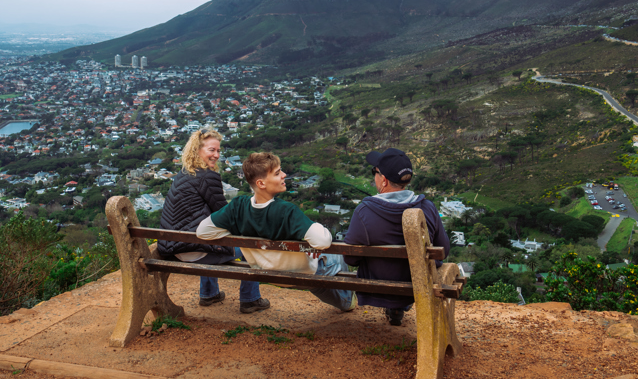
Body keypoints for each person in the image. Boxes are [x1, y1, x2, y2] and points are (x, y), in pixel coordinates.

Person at [196, 152, 356, 313]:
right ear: (261, 183)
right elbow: (322, 241)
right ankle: (346, 299)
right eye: (278, 173)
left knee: (319, 262)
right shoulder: (286, 211)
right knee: (336, 254)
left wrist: (235, 232)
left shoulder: (237, 207)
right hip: (302, 275)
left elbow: (203, 231)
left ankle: (344, 300)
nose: (284, 175)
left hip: (265, 272)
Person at [156, 128, 266, 313]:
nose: (216, 155)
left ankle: (209, 293)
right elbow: (225, 215)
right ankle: (250, 299)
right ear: (197, 150)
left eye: (218, 151)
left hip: (173, 248)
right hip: (193, 251)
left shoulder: (184, 174)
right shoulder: (208, 177)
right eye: (211, 150)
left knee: (207, 233)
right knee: (254, 246)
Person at [343, 148, 449, 326]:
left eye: (374, 172)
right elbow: (443, 250)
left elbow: (350, 258)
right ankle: (399, 307)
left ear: (383, 180)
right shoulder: (427, 208)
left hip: (379, 287)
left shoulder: (364, 212)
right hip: (417, 286)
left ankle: (393, 305)